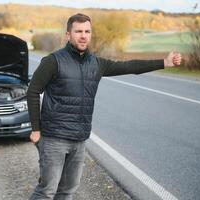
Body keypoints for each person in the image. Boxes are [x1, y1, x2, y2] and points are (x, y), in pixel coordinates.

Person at [27, 13, 181, 200]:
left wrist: (164, 62)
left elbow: (129, 67)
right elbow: (33, 91)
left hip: (79, 139)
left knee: (67, 191)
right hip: (54, 139)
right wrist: (36, 129)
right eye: (78, 31)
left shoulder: (97, 64)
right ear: (68, 35)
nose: (83, 36)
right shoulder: (53, 61)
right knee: (46, 191)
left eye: (87, 31)